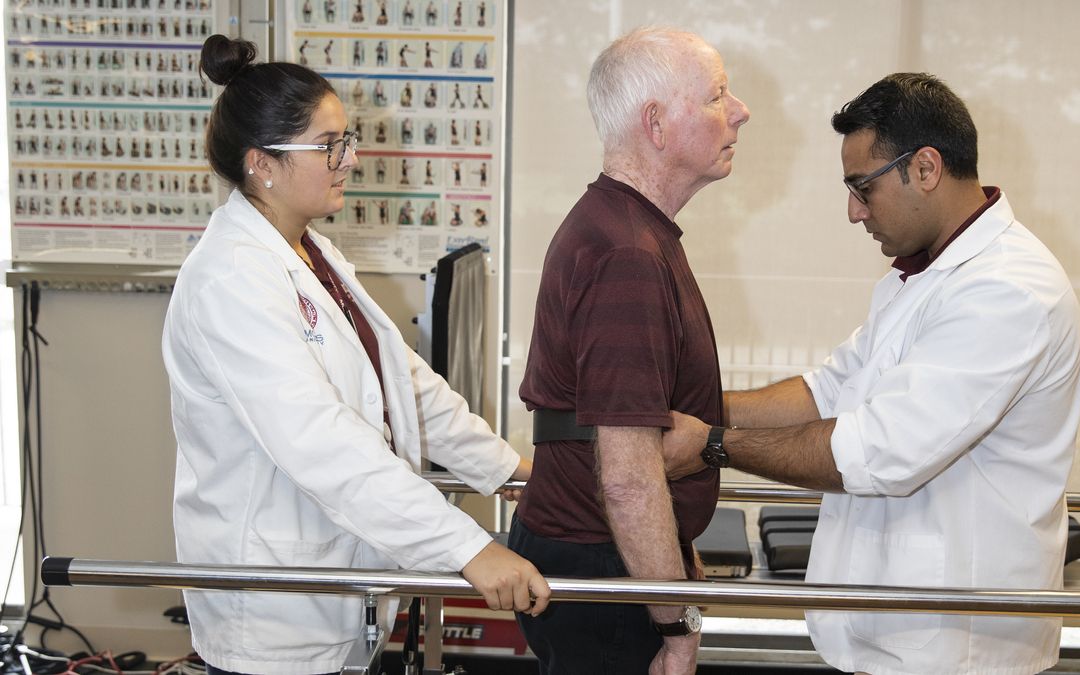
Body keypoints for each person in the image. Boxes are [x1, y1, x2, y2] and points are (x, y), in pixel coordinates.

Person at [663, 73, 1080, 675]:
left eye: (863, 187)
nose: (854, 211)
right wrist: (696, 409)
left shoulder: (1007, 291)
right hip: (894, 634)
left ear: (926, 168)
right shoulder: (918, 278)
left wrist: (708, 445)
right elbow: (827, 391)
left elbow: (880, 451)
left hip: (956, 648)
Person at [165, 35, 550, 675]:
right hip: (273, 611)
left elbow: (404, 384)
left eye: (347, 141)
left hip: (339, 584)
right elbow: (319, 440)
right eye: (328, 146)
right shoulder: (229, 280)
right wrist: (468, 549)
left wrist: (509, 472)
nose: (348, 160)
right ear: (262, 163)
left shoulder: (311, 254)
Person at [509, 27, 749, 675]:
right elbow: (625, 469)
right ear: (657, 124)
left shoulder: (631, 232)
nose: (740, 111)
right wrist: (677, 624)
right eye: (717, 96)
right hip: (600, 564)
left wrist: (672, 549)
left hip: (608, 552)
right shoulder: (626, 253)